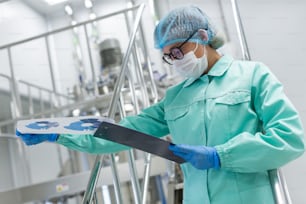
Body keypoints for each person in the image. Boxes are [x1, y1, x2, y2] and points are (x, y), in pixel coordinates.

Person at [16, 5, 305, 204]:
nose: (175, 60)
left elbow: (289, 138)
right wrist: (60, 134)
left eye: (177, 51)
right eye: (168, 56)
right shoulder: (175, 98)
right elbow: (123, 132)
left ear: (202, 37)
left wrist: (221, 155)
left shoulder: (253, 76)